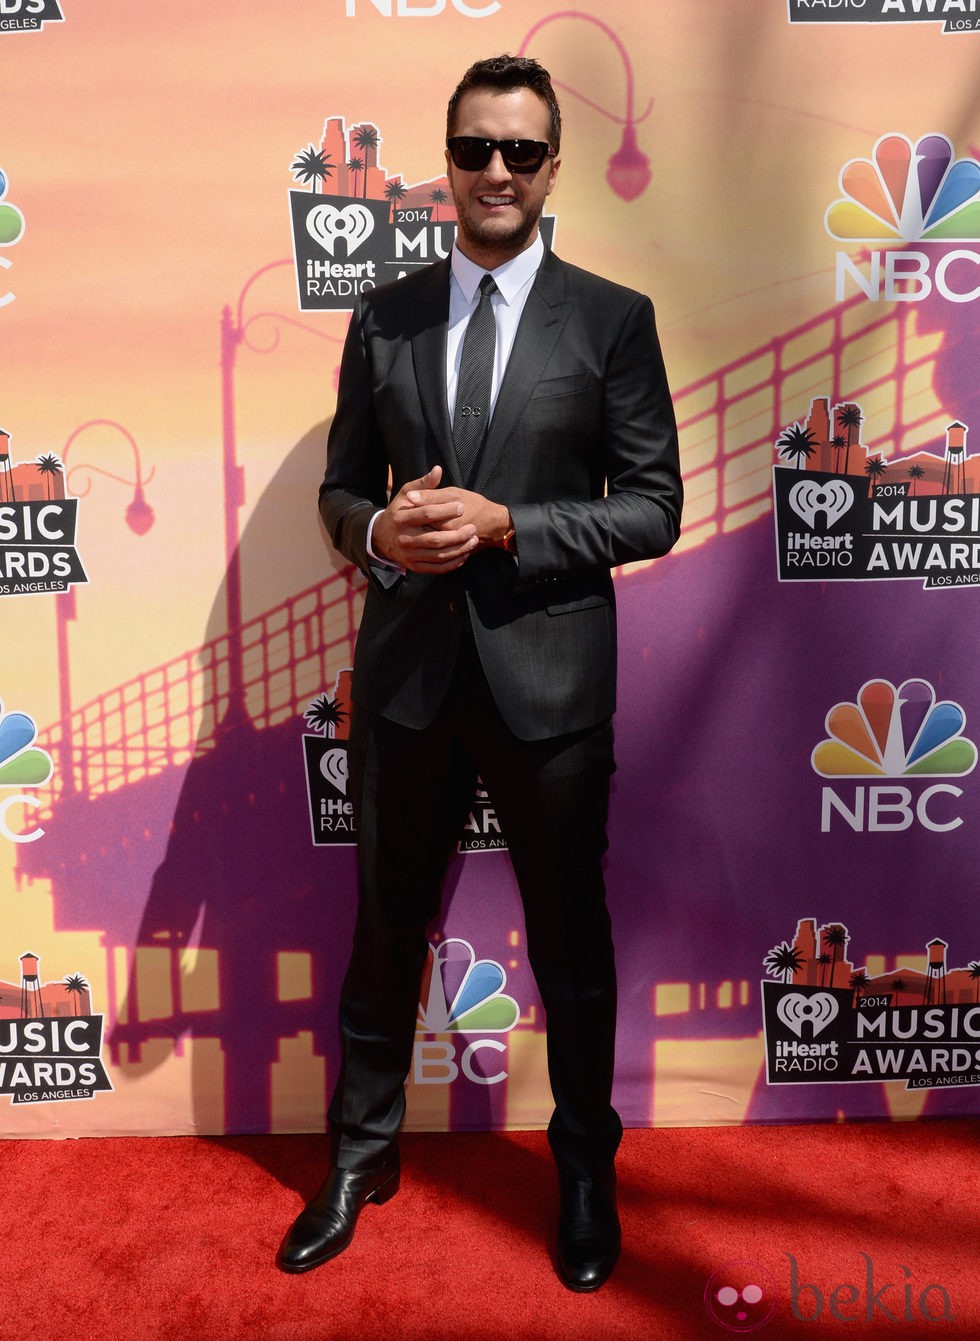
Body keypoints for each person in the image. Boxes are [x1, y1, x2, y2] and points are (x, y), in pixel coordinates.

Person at [277, 53, 682, 1292]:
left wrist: (511, 524)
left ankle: (579, 1169)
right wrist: (374, 534)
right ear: (443, 165)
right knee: (385, 931)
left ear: (553, 166)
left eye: (518, 151)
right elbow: (342, 489)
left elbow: (654, 509)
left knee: (569, 939)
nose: (494, 172)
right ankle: (360, 1157)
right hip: (404, 678)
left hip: (549, 686)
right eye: (472, 150)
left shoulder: (610, 319)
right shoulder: (384, 312)